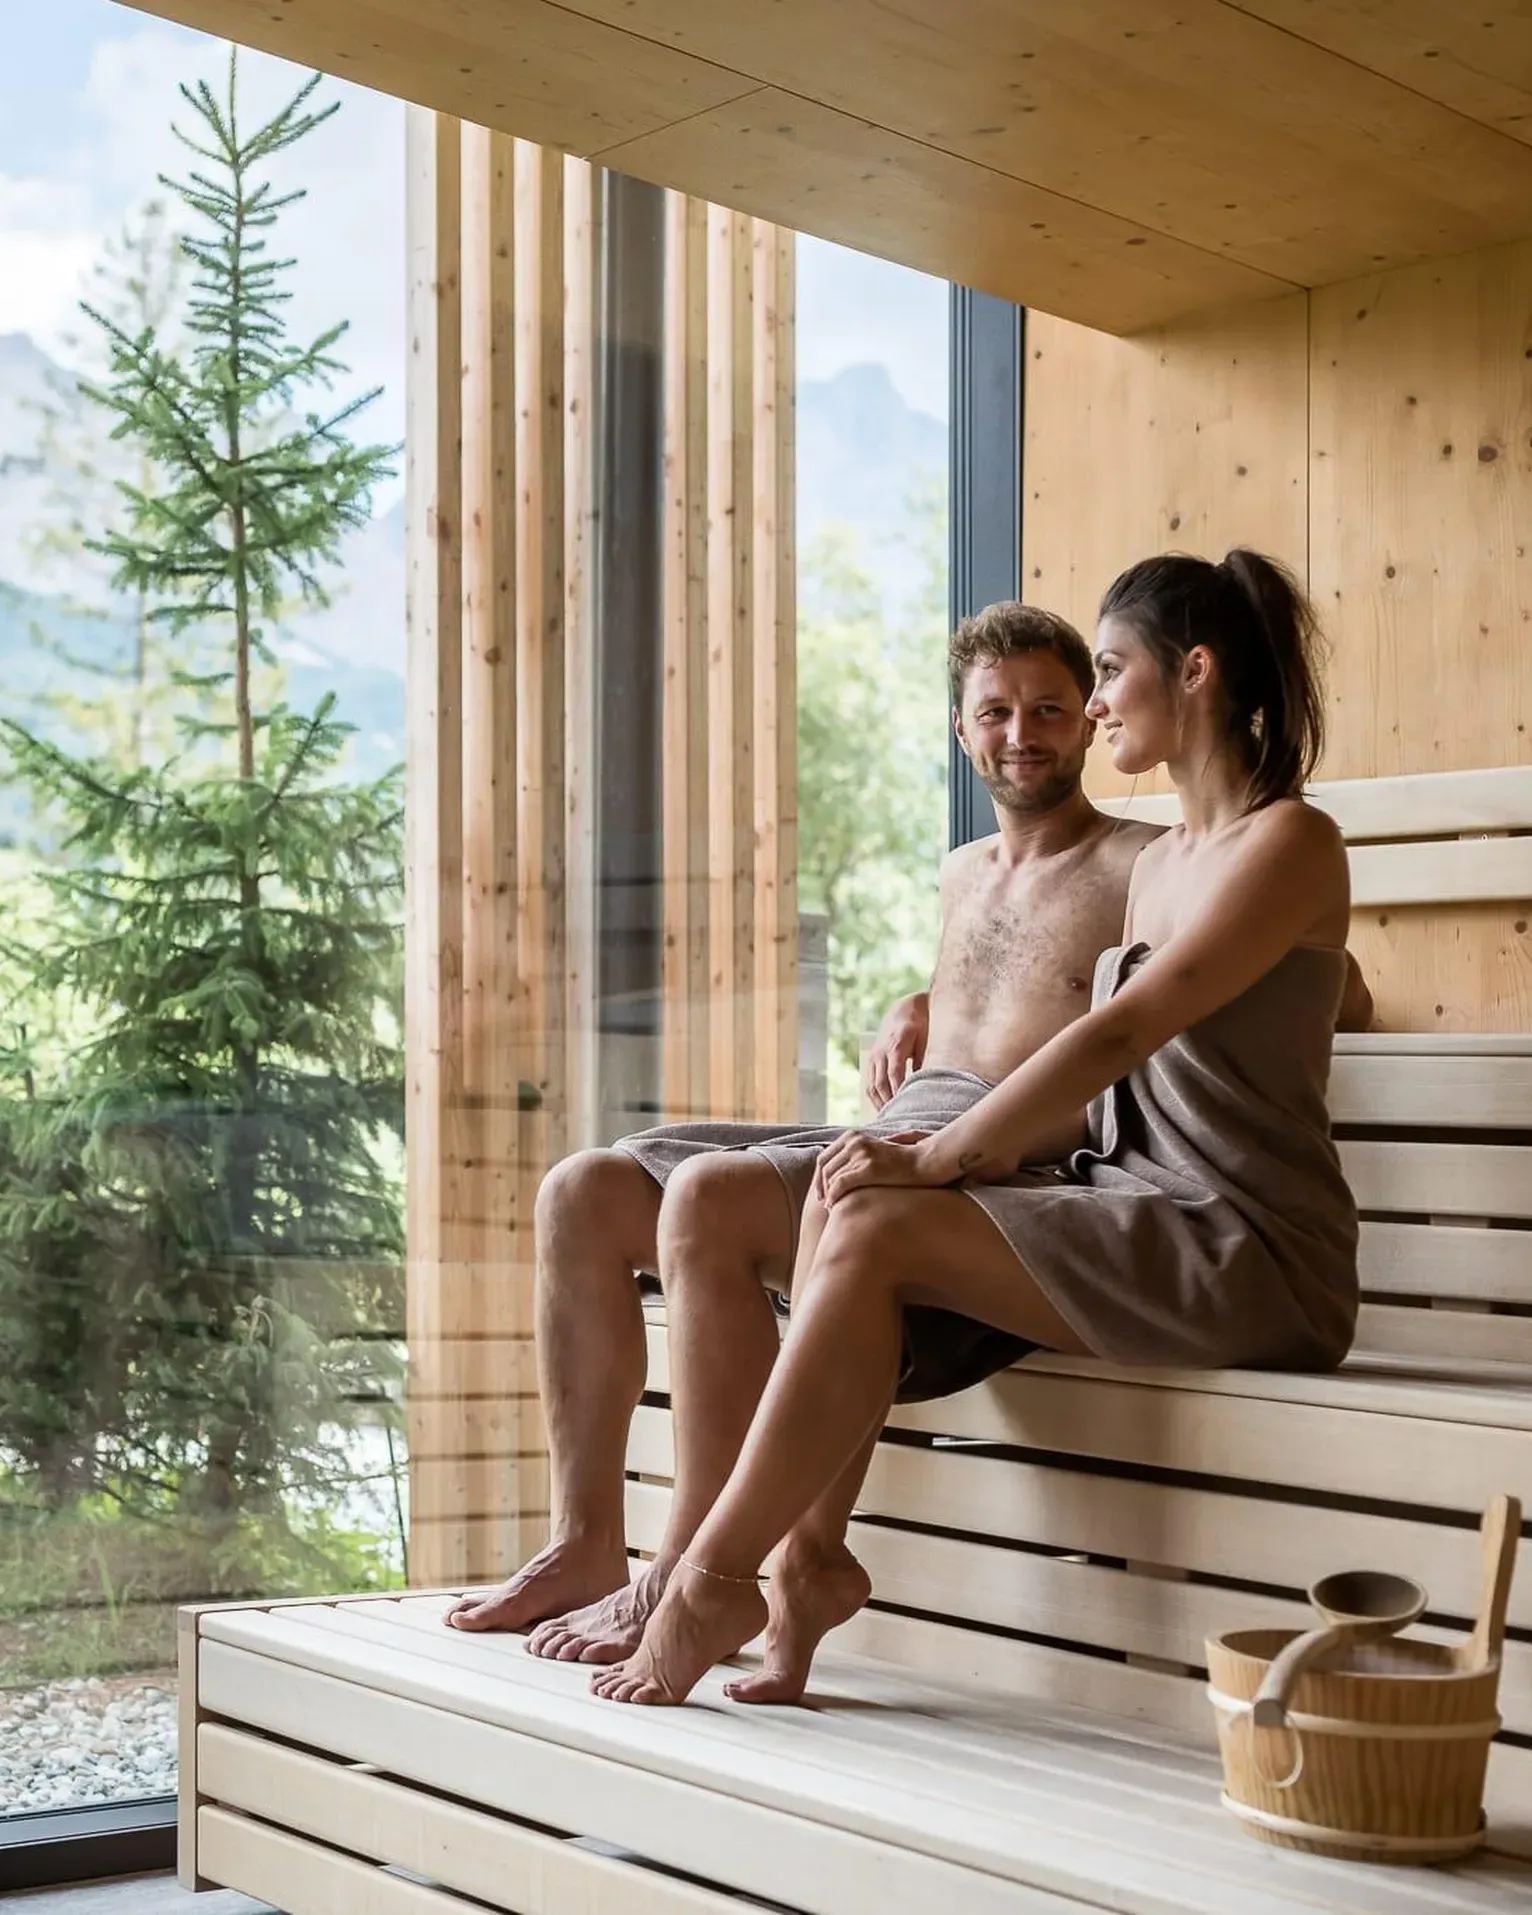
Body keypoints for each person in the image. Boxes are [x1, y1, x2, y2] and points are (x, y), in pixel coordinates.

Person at [592, 548, 1368, 1709]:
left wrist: (940, 1152)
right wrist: (921, 1084)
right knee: (855, 1200)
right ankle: (802, 1564)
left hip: (1244, 1248)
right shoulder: (1164, 861)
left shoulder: (1288, 843)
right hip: (1132, 1205)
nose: (1094, 705)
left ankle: (710, 1580)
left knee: (879, 1209)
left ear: (1194, 671)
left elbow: (1125, 1029)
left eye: (1109, 671)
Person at [444, 602, 1165, 1667]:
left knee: (708, 1197)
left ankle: (687, 1568)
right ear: (960, 729)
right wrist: (917, 1003)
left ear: (1090, 716)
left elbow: (1306, 976)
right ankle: (584, 1541)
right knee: (581, 1191)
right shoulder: (964, 868)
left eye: (1050, 709)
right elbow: (1012, 987)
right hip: (902, 1131)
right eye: (997, 712)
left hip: (1002, 1176)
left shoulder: (1143, 861)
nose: (1023, 734)